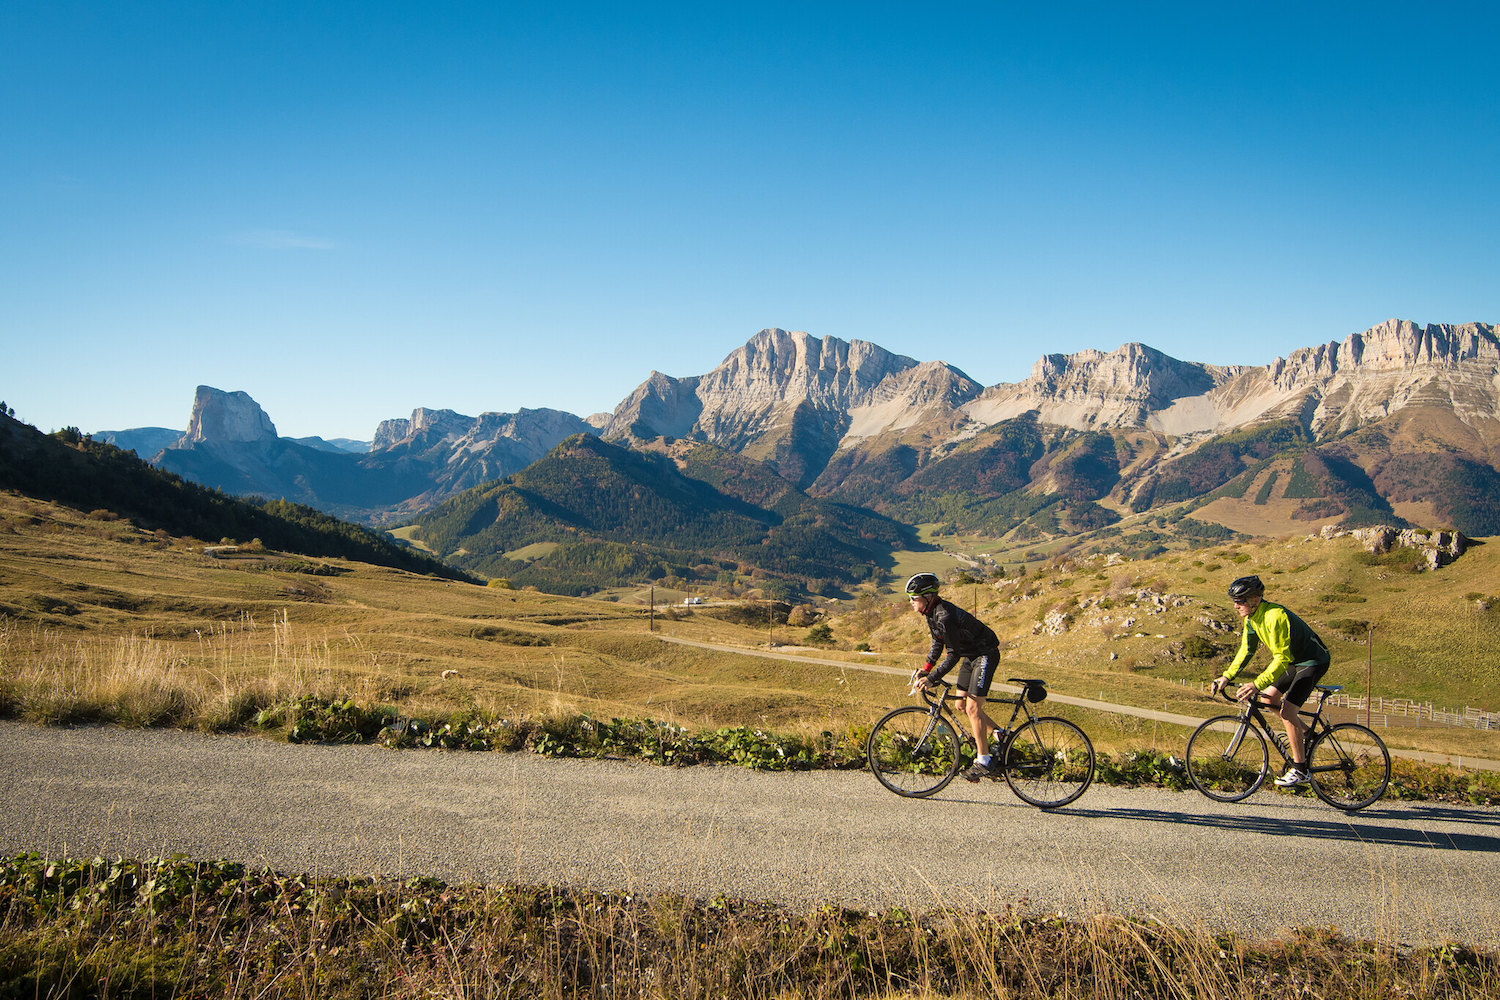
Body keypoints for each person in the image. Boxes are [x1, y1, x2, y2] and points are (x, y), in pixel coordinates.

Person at [1211, 574, 1331, 787]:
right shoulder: (1251, 619)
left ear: (1255, 600)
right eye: (1234, 602)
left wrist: (1256, 684)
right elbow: (1246, 650)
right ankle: (1307, 734)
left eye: (1240, 602)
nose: (1236, 607)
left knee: (1287, 711)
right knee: (1267, 700)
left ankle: (1301, 770)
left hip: (1313, 661)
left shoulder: (1276, 616)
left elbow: (1282, 658)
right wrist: (1227, 676)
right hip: (1294, 661)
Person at [905, 573, 1006, 781]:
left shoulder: (945, 616)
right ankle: (1000, 734)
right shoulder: (931, 613)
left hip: (985, 653)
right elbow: (937, 643)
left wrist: (932, 678)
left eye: (913, 598)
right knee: (961, 705)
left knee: (972, 707)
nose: (910, 602)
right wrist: (926, 668)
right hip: (971, 656)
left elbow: (953, 654)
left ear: (927, 597)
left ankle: (984, 760)